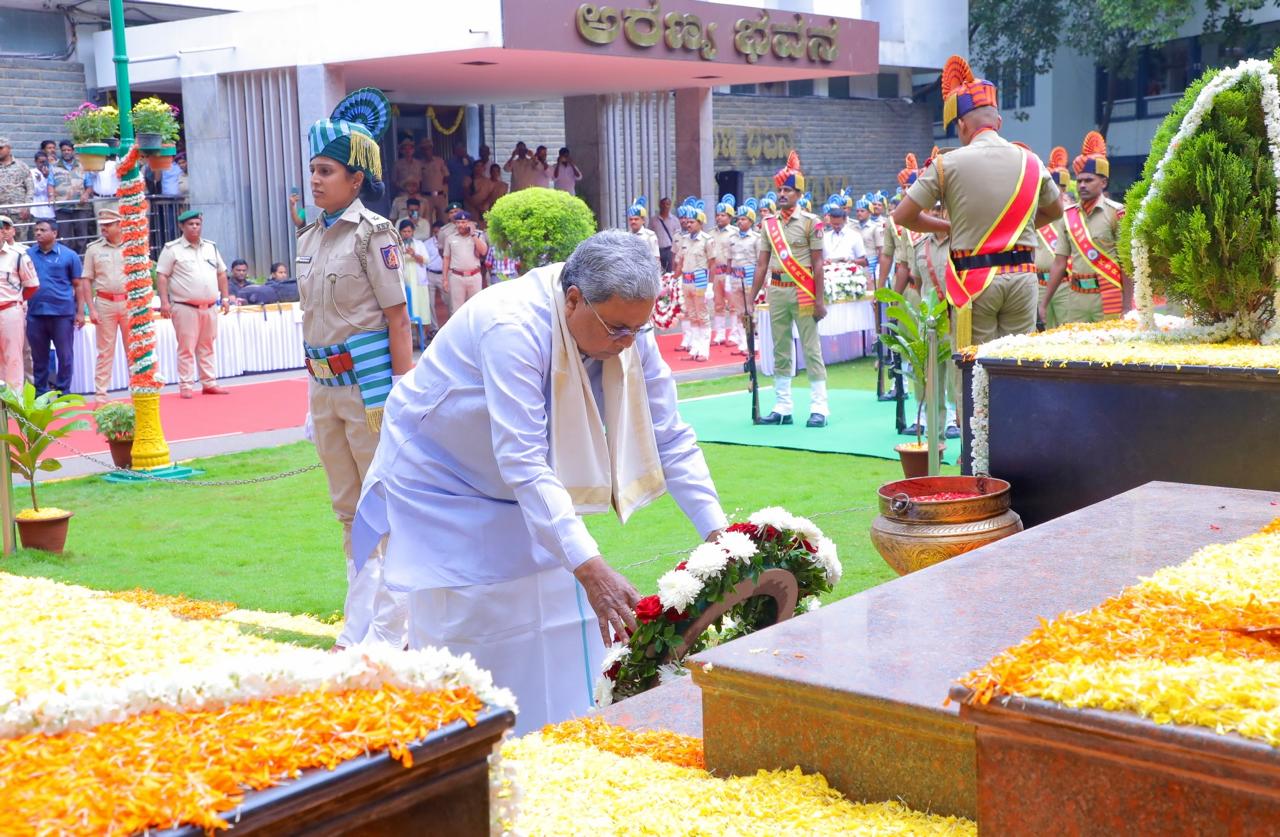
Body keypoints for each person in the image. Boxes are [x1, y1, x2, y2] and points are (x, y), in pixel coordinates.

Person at [351, 229, 727, 733]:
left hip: (527, 485)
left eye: (638, 331)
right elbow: (523, 460)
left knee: (563, 627)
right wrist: (591, 568)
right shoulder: (511, 324)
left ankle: (563, 743)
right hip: (444, 484)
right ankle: (473, 749)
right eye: (617, 330)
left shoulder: (628, 326)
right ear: (573, 300)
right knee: (476, 625)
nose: (627, 345)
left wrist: (722, 537)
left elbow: (670, 436)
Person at [297, 86, 412, 650]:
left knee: (383, 511)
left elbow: (398, 319)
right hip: (325, 391)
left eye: (326, 170)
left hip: (370, 393)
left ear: (355, 178)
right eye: (313, 170)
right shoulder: (309, 238)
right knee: (348, 512)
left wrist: (401, 393)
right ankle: (358, 624)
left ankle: (392, 632)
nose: (315, 180)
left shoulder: (375, 235)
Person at [894, 55, 1061, 348]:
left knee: (974, 370)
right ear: (998, 121)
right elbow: (1055, 210)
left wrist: (949, 226)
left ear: (961, 126)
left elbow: (903, 216)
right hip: (1022, 276)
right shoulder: (1032, 161)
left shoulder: (948, 164)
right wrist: (1014, 228)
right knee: (1017, 364)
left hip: (974, 279)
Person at [749, 151, 829, 428]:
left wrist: (820, 301)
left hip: (803, 290)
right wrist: (751, 298)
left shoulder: (811, 222)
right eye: (779, 190)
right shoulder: (769, 225)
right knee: (780, 348)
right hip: (777, 290)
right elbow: (761, 265)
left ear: (799, 194)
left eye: (787, 190)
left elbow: (818, 265)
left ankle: (819, 407)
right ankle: (783, 406)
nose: (781, 194)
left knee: (811, 349)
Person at [1041, 132, 1128, 325]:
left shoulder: (1117, 213)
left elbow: (1125, 264)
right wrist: (1044, 302)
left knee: (1107, 351)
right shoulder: (1067, 215)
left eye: (1088, 180)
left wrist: (1128, 306)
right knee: (1075, 351)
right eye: (1079, 181)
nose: (1082, 185)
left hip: (1108, 294)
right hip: (1076, 297)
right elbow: (1059, 263)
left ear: (1103, 182)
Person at [155, 209, 231, 398]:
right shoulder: (172, 249)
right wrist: (164, 301)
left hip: (210, 305)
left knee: (207, 345)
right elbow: (162, 275)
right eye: (190, 224)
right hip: (185, 306)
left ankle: (209, 382)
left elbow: (221, 273)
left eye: (197, 224)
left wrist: (226, 297)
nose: (195, 227)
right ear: (182, 226)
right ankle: (186, 384)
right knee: (186, 346)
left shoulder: (210, 247)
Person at [25, 219, 83, 396]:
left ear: (55, 233)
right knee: (38, 357)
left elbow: (78, 285)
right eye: (36, 230)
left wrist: (80, 312)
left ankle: (63, 391)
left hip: (62, 314)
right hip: (35, 313)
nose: (38, 233)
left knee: (65, 356)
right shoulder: (27, 255)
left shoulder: (69, 255)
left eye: (43, 230)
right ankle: (41, 392)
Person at [81, 207, 129, 403]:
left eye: (108, 225)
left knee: (134, 350)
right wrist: (91, 309)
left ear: (120, 224)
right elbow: (86, 280)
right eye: (102, 225)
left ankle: (139, 390)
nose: (104, 228)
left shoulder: (133, 245)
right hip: (104, 302)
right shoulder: (94, 249)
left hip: (129, 302)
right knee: (105, 352)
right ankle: (101, 395)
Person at [672, 198, 716, 362]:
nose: (688, 224)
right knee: (691, 315)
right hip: (686, 280)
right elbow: (680, 261)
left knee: (702, 315)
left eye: (692, 222)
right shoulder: (684, 240)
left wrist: (710, 285)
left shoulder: (707, 240)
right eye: (687, 222)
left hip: (700, 281)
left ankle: (704, 350)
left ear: (700, 223)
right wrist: (674, 279)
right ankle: (695, 348)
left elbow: (712, 264)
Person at [1034, 146, 1072, 330]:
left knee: (1065, 330)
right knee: (1040, 332)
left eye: (1060, 189)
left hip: (1064, 283)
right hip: (1039, 282)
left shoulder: (1071, 213)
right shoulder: (1037, 212)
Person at [0, 215, 38, 389]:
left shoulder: (18, 255)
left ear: (3, 233)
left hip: (9, 310)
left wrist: (18, 301)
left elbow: (32, 285)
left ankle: (16, 407)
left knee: (13, 358)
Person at [726, 198, 761, 355]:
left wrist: (762, 283)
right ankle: (743, 342)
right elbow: (729, 260)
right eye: (738, 219)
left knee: (751, 312)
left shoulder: (756, 238)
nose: (739, 222)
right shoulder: (732, 238)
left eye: (743, 219)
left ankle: (755, 342)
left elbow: (761, 262)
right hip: (735, 279)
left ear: (751, 221)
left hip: (750, 280)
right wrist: (728, 278)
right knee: (740, 312)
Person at [441, 210, 488, 313]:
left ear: (469, 223)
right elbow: (446, 258)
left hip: (474, 276)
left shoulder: (478, 235)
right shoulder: (450, 238)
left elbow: (483, 251)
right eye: (458, 222)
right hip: (456, 277)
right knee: (457, 310)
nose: (460, 225)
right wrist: (444, 279)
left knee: (475, 308)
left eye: (463, 222)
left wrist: (473, 235)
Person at [710, 195, 738, 345]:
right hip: (716, 274)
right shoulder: (711, 233)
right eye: (718, 215)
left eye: (723, 215)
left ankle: (734, 335)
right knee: (718, 305)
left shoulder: (735, 232)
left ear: (730, 217)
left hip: (731, 273)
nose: (719, 218)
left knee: (733, 305)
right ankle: (719, 334)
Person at [50, 141, 87, 246]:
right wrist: (51, 196)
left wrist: (86, 194)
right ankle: (67, 261)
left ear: (73, 151)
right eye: (63, 150)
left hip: (80, 206)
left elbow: (89, 185)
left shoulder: (82, 165)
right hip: (62, 206)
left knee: (82, 236)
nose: (66, 152)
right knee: (64, 237)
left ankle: (81, 259)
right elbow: (50, 184)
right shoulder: (54, 166)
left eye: (68, 150)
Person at [0, 138, 33, 237]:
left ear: (9, 148)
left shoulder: (21, 166)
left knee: (20, 241)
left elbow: (30, 188)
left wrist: (27, 207)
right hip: (0, 211)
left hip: (18, 212)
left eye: (1, 148)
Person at [417, 138, 449, 221]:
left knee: (444, 218)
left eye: (428, 148)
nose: (426, 151)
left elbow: (447, 176)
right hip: (426, 196)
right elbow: (418, 181)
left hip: (440, 195)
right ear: (421, 151)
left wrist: (444, 189)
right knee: (427, 219)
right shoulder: (419, 163)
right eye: (424, 149)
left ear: (432, 149)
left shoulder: (439, 161)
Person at [625, 196, 660, 268]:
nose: (633, 221)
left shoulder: (650, 236)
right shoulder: (625, 237)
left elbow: (656, 258)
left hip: (646, 274)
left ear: (643, 220)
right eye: (631, 219)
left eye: (636, 219)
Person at [650, 196, 679, 272]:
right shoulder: (654, 220)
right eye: (663, 204)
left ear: (670, 206)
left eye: (668, 204)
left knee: (669, 271)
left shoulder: (675, 220)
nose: (665, 206)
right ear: (659, 205)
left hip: (669, 249)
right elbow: (650, 233)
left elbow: (678, 236)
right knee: (657, 271)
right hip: (657, 250)